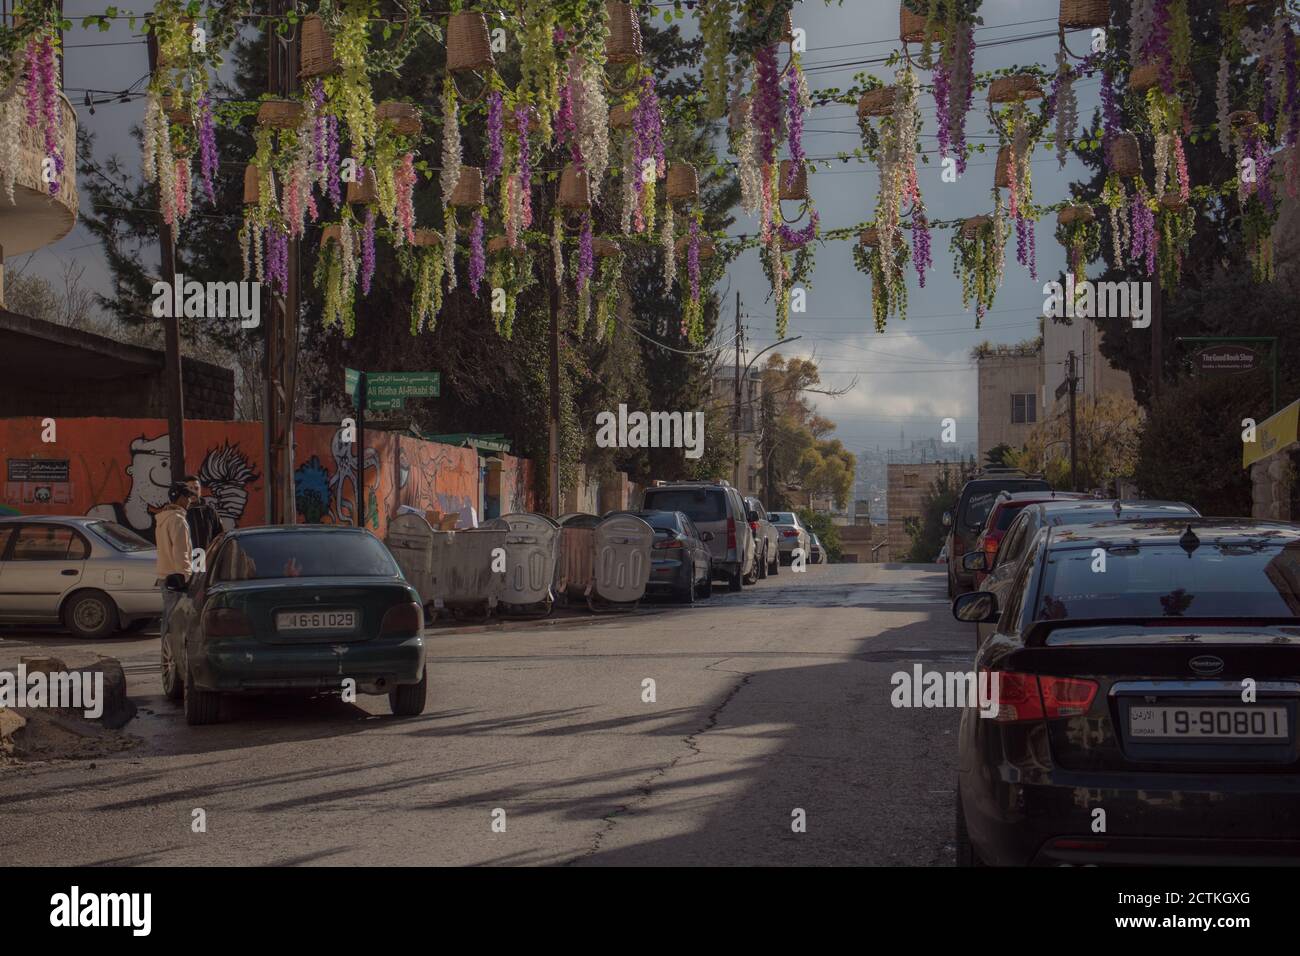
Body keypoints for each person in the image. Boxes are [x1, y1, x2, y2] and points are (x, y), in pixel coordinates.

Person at [156, 482, 195, 641]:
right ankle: (173, 655)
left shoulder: (163, 518)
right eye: (187, 497)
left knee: (168, 616)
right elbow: (181, 551)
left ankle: (166, 654)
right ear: (180, 499)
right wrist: (187, 577)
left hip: (164, 574)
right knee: (178, 620)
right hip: (176, 577)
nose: (190, 501)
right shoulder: (178, 520)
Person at [184, 475, 224, 551]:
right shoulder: (180, 513)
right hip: (187, 560)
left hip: (208, 558)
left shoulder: (210, 511)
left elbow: (220, 536)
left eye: (196, 488)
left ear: (200, 490)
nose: (193, 492)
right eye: (190, 488)